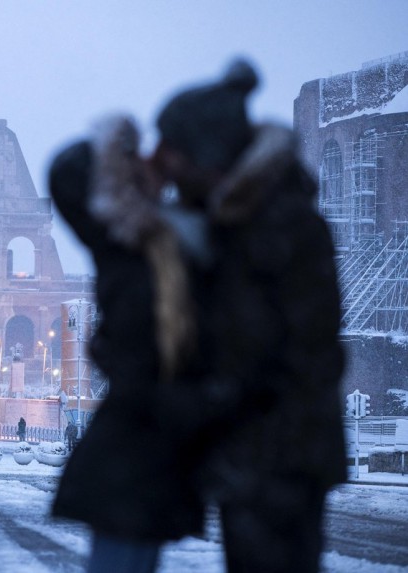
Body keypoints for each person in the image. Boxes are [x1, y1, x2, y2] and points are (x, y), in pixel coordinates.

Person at [150, 59, 346, 573]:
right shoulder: (232, 221)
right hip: (256, 450)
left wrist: (217, 393)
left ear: (207, 153)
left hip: (281, 453)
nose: (162, 164)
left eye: (172, 150)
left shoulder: (278, 227)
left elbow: (308, 352)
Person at [50, 112, 209, 573]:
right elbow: (66, 172)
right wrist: (116, 156)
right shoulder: (126, 239)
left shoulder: (161, 240)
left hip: (155, 440)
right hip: (138, 438)